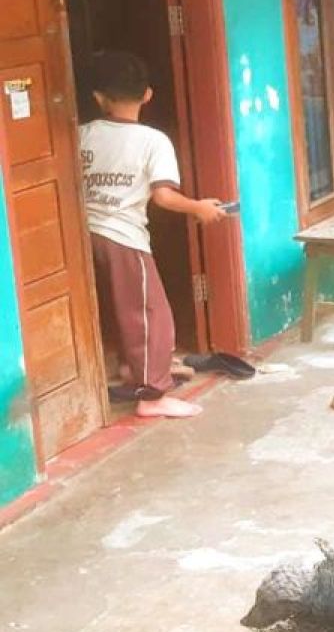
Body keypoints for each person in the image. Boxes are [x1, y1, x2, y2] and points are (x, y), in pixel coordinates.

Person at [81, 51, 227, 418]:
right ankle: (152, 395)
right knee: (150, 314)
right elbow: (163, 196)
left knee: (112, 308)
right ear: (148, 95)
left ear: (99, 97)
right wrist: (200, 208)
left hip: (85, 235)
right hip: (123, 237)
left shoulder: (82, 134)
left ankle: (134, 370)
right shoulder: (153, 141)